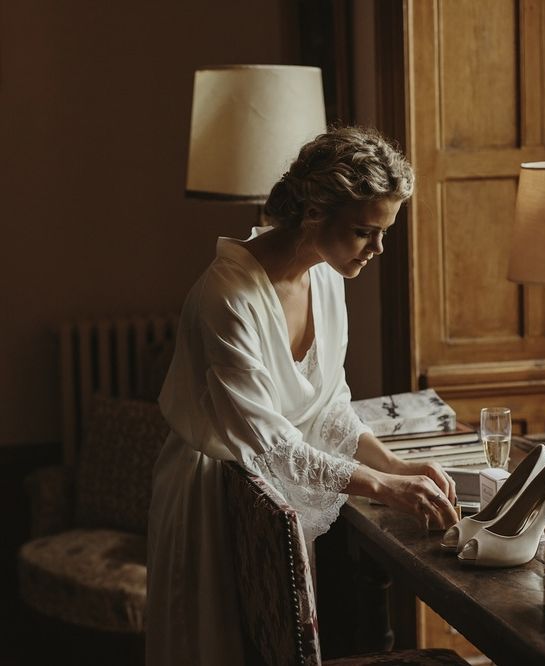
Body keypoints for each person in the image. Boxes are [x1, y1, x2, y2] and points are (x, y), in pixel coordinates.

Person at [146, 126, 459, 665]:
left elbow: (328, 402)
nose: (379, 248)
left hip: (278, 502)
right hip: (217, 497)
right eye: (365, 231)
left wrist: (394, 463)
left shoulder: (329, 275)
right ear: (314, 213)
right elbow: (268, 446)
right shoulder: (226, 298)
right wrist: (382, 487)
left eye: (384, 231)